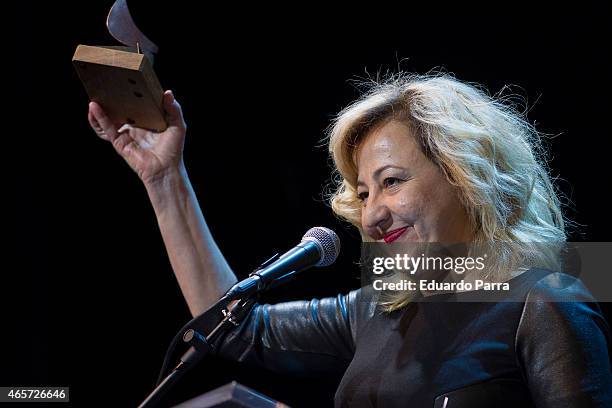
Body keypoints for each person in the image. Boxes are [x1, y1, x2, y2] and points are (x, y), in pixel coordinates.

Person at [87, 74, 612, 407]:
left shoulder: (546, 302)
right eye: (363, 193)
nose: (372, 214)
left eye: (392, 181)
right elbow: (230, 326)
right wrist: (164, 180)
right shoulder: (375, 310)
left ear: (465, 175)